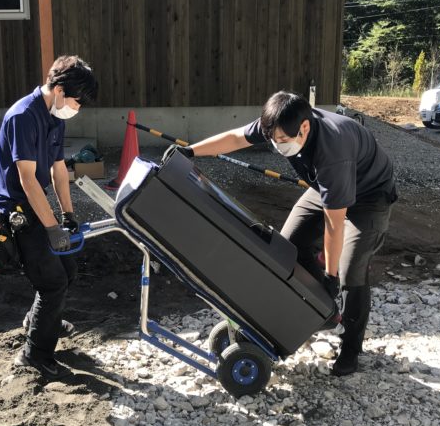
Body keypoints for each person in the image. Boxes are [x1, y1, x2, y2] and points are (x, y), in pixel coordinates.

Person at [165, 91, 397, 375]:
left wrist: (330, 277)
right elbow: (238, 138)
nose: (278, 146)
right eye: (273, 140)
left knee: (350, 270)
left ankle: (350, 349)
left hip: (369, 197)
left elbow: (334, 225)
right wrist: (190, 151)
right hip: (326, 188)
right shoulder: (279, 123)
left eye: (283, 141)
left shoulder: (332, 152)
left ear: (305, 128)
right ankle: (324, 312)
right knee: (287, 247)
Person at [0, 55, 98, 379]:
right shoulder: (23, 116)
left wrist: (68, 215)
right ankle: (34, 354)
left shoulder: (54, 117)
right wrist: (51, 228)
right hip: (15, 210)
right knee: (52, 282)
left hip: (36, 203)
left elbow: (58, 170)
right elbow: (27, 179)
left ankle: (39, 320)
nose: (77, 109)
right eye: (78, 102)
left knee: (67, 267)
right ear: (61, 90)